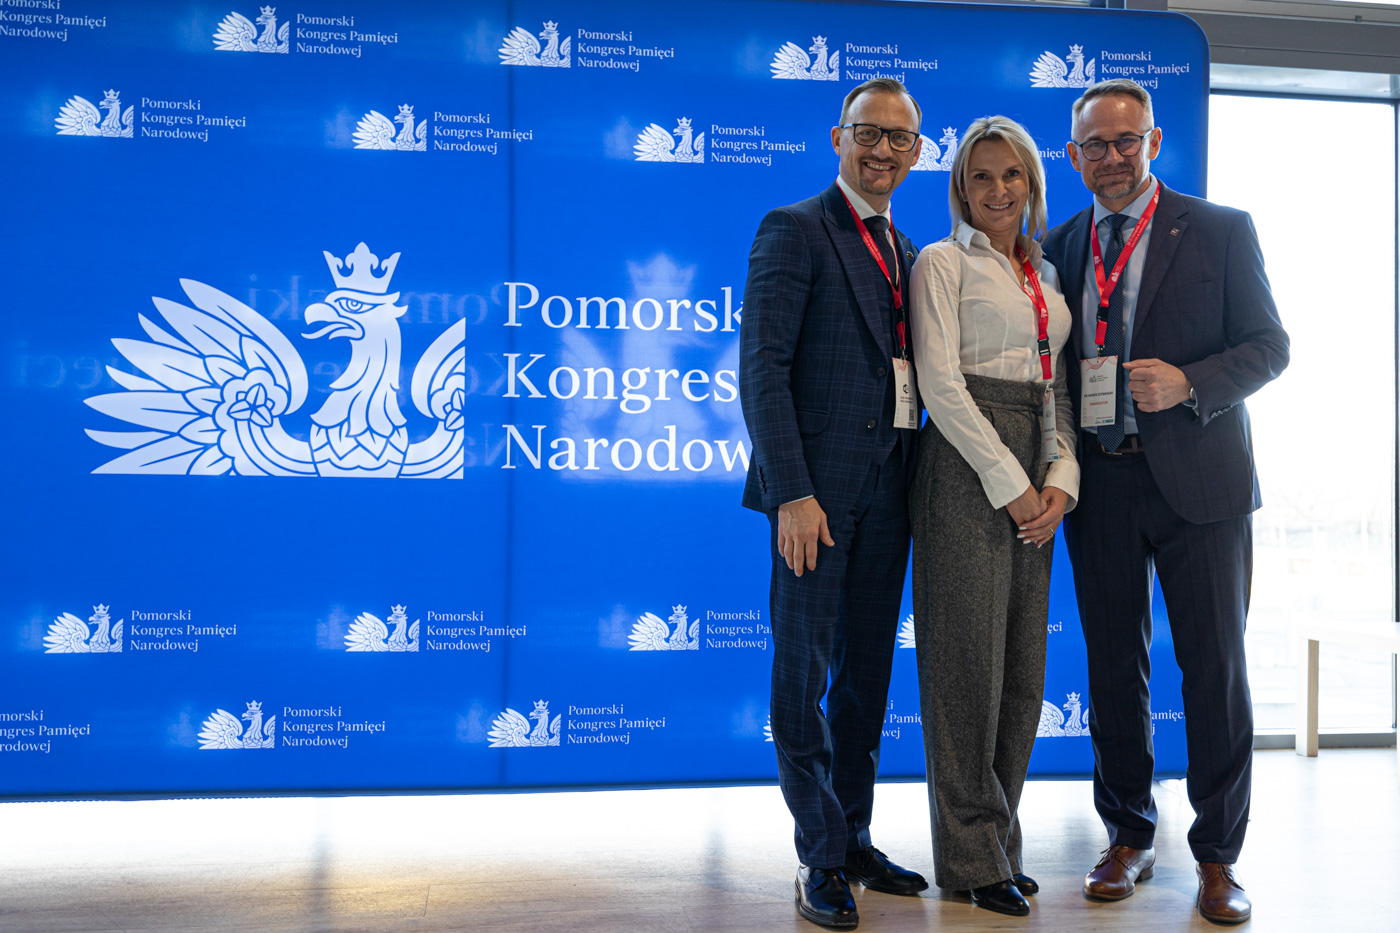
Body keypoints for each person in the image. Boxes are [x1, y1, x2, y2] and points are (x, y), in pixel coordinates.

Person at [1042, 78, 1289, 925]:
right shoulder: (1057, 245)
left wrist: (1189, 382)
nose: (1112, 157)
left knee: (1214, 669)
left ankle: (1219, 855)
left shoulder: (1221, 229)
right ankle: (1128, 834)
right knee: (1113, 667)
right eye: (1095, 145)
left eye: (1127, 140)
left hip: (1204, 485)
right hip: (1101, 483)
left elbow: (1270, 346)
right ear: (1073, 156)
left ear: (1153, 142)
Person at [739, 77, 928, 930]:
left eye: (898, 137)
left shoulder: (909, 250)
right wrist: (792, 493)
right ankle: (817, 854)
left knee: (865, 681)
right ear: (837, 137)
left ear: (917, 152)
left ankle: (853, 834)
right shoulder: (794, 227)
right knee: (801, 678)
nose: (882, 149)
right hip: (813, 501)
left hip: (891, 495)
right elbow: (763, 369)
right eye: (868, 132)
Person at [906, 116, 1079, 918]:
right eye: (981, 176)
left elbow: (1058, 388)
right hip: (964, 464)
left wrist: (1060, 480)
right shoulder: (941, 262)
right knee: (965, 668)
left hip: (1037, 470)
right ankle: (969, 856)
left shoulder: (1045, 275)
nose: (999, 189)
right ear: (960, 188)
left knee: (1020, 671)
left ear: (1033, 185)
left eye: (1013, 175)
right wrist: (1012, 483)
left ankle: (998, 840)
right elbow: (941, 386)